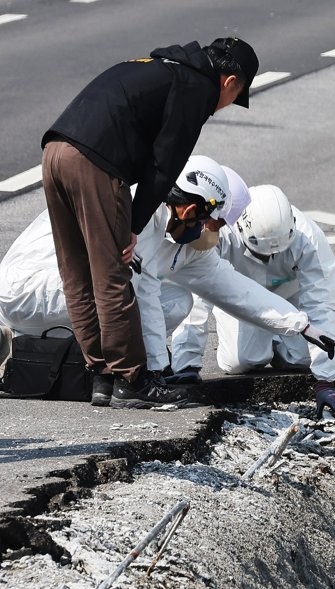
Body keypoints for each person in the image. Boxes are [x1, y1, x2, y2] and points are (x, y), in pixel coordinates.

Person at [0, 158, 335, 409]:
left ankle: (102, 375)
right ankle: (123, 381)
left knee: (177, 298)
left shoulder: (183, 242)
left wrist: (301, 325)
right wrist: (158, 372)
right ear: (192, 207)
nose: (215, 233)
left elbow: (234, 291)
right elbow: (140, 292)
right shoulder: (139, 213)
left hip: (66, 298)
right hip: (26, 290)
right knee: (128, 287)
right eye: (214, 222)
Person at [40, 37, 259, 408]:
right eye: (233, 98)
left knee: (76, 273)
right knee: (112, 273)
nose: (222, 107)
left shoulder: (163, 66)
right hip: (95, 163)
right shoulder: (197, 88)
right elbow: (164, 166)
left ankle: (101, 377)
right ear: (230, 81)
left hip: (55, 152)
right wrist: (134, 225)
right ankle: (131, 380)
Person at [170, 185, 335, 418]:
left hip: (291, 299)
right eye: (261, 255)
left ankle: (279, 343)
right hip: (240, 302)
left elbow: (323, 301)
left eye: (275, 254)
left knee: (303, 360)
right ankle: (265, 342)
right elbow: (197, 294)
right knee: (239, 363)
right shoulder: (221, 231)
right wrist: (186, 364)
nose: (269, 260)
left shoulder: (308, 237)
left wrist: (326, 380)